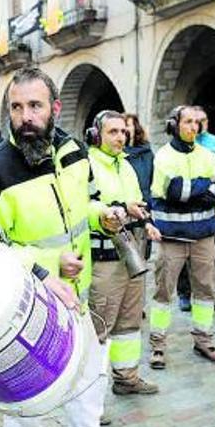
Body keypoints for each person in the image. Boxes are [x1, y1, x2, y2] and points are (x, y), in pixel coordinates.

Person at [0, 67, 142, 427]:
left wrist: (105, 216)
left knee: (88, 377)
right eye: (16, 107)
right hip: (22, 306)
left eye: (34, 105)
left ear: (55, 109)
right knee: (25, 393)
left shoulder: (74, 152)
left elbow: (82, 208)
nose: (25, 116)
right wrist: (48, 267)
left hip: (76, 295)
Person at [86, 110, 160, 396]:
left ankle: (126, 378)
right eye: (113, 132)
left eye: (123, 132)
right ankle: (91, 398)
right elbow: (87, 205)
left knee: (129, 322)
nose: (120, 137)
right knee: (99, 326)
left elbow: (136, 202)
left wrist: (146, 221)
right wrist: (120, 206)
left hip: (132, 252)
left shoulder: (126, 164)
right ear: (96, 136)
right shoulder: (87, 165)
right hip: (104, 260)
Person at [148, 105, 215, 368]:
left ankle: (204, 340)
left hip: (204, 235)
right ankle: (158, 345)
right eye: (188, 122)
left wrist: (193, 190)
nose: (194, 127)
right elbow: (174, 190)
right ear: (175, 124)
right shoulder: (163, 156)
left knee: (206, 290)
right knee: (163, 293)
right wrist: (204, 188)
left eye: (197, 122)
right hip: (172, 238)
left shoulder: (207, 154)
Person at [176, 107, 215, 313]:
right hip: (187, 207)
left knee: (209, 255)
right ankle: (184, 294)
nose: (197, 125)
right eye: (193, 121)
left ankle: (207, 293)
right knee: (184, 252)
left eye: (202, 120)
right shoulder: (183, 144)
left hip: (213, 207)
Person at [123, 113, 153, 205]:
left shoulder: (147, 153)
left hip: (145, 205)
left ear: (135, 128)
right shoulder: (118, 155)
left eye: (127, 125)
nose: (124, 130)